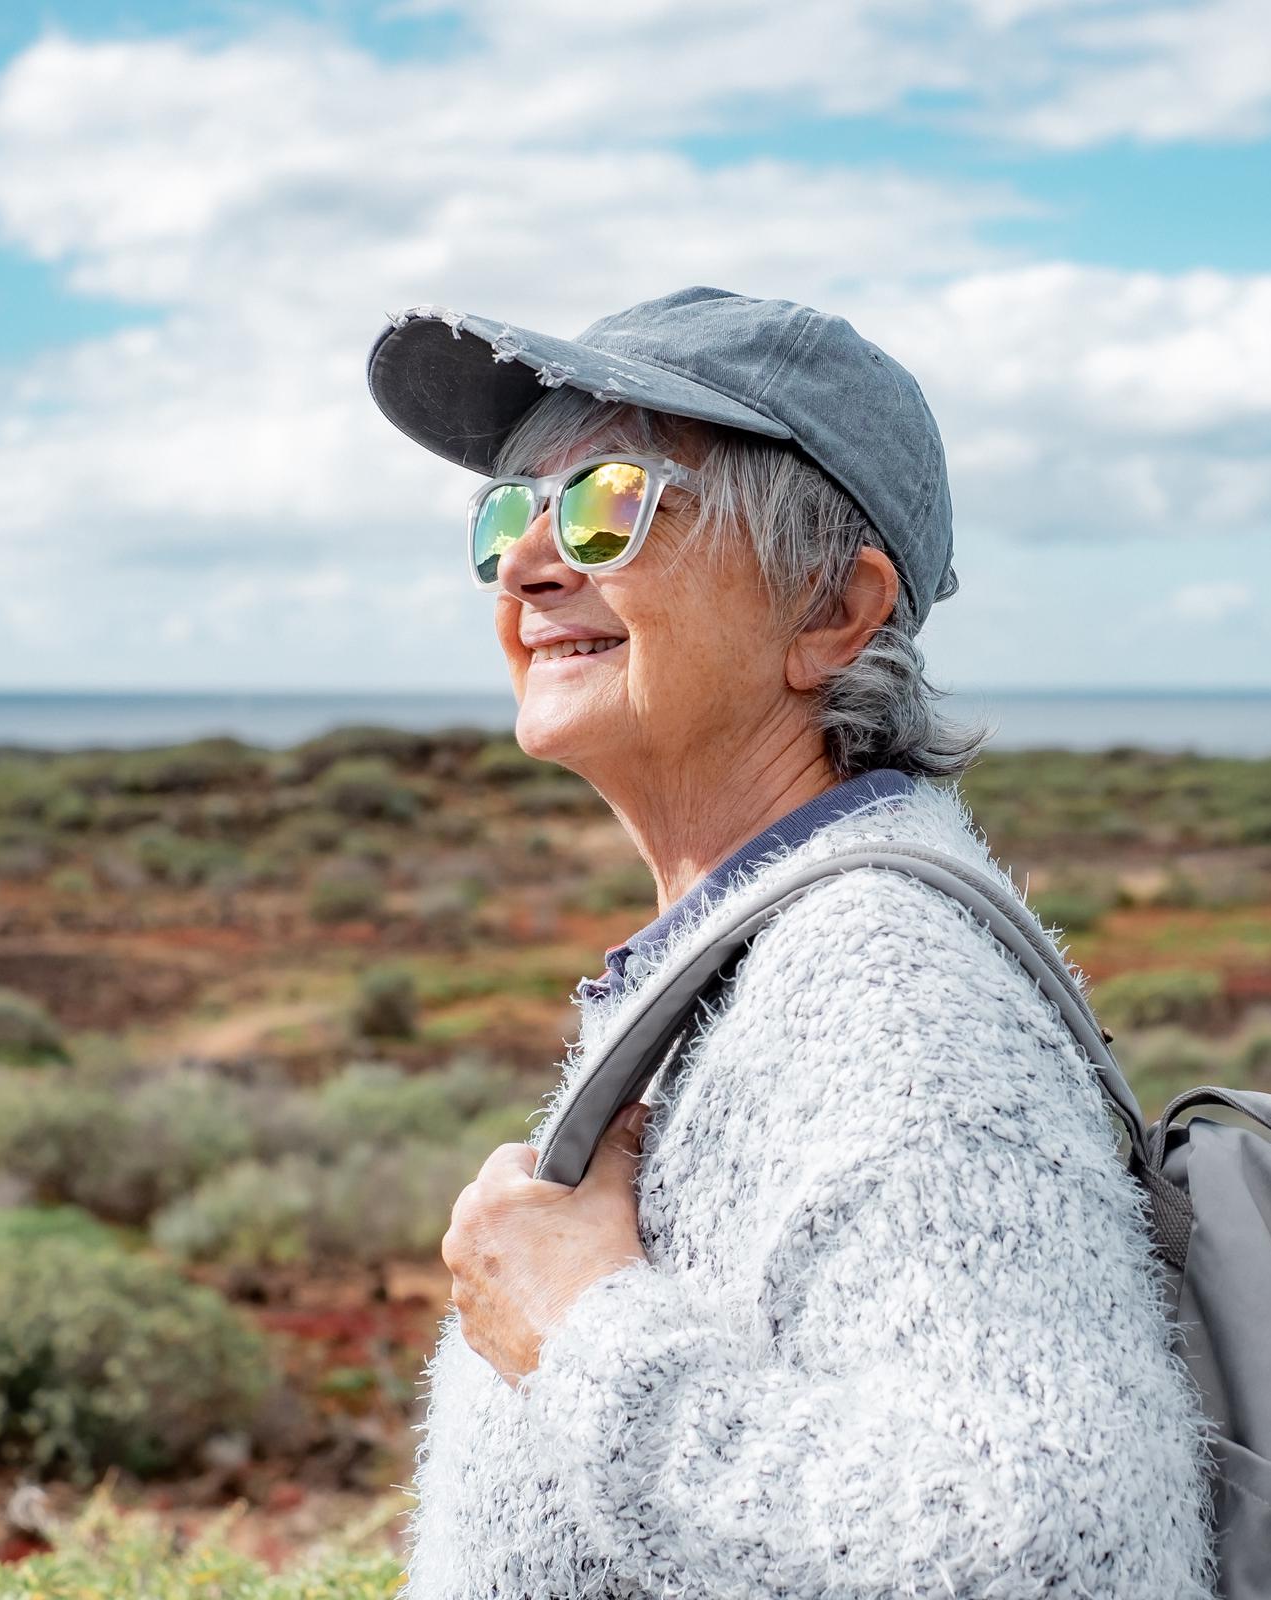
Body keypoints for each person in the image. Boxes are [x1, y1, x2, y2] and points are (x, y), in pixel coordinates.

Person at [365, 287, 1216, 1598]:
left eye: (606, 503)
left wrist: (584, 1332)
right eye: (510, 514)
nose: (534, 563)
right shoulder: (769, 950)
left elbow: (1050, 1555)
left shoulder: (885, 992)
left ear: (832, 608)